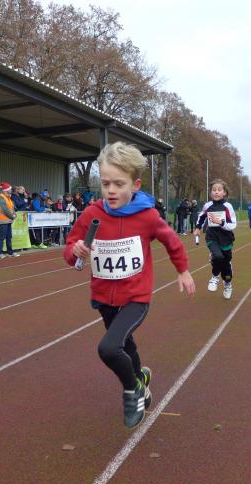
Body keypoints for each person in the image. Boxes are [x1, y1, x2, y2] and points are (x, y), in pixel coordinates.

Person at [64, 141, 195, 429]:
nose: (110, 190)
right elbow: (71, 246)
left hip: (136, 297)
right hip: (103, 297)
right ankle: (141, 376)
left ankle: (132, 390)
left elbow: (172, 241)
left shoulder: (147, 216)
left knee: (109, 349)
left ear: (135, 185)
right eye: (105, 183)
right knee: (126, 345)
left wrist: (183, 270)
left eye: (118, 184)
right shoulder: (91, 214)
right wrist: (75, 251)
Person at [194, 179, 237, 299]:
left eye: (219, 190)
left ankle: (227, 284)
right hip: (212, 236)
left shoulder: (228, 206)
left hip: (226, 238)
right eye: (214, 190)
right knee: (218, 256)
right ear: (210, 193)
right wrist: (198, 228)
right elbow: (201, 216)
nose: (216, 192)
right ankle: (215, 277)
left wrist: (221, 222)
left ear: (224, 193)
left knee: (226, 267)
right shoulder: (208, 205)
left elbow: (233, 224)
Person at [0, 182, 19, 258]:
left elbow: (11, 208)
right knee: (2, 237)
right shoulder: (1, 198)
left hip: (8, 220)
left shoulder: (8, 197)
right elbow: (4, 210)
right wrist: (12, 216)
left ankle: (10, 252)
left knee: (9, 236)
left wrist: (14, 214)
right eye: (10, 189)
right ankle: (0, 252)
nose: (11, 190)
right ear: (6, 190)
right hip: (3, 220)